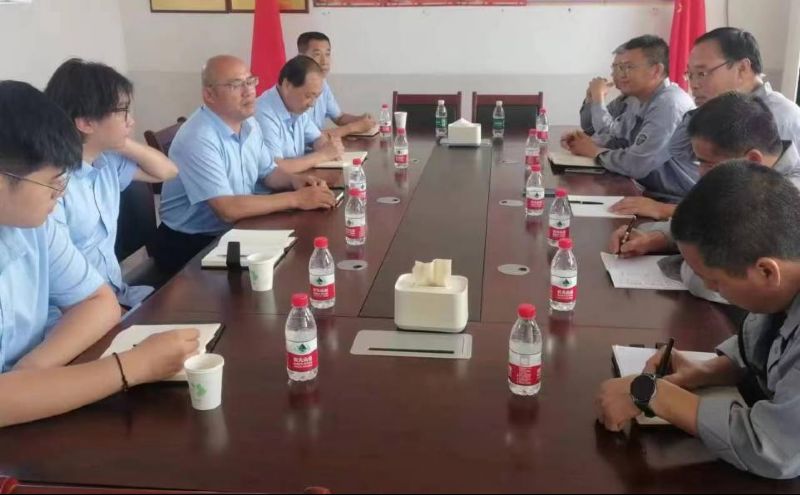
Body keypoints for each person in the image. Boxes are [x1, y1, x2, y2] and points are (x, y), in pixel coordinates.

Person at [0, 81, 199, 427]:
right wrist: (131, 366)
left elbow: (98, 302)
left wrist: (28, 377)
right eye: (53, 182)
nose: (61, 194)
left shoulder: (32, 224)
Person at [597, 162, 800, 479]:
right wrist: (707, 371)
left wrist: (655, 395)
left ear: (766, 271)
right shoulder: (782, 280)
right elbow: (760, 346)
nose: (709, 287)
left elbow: (775, 448)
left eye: (715, 282)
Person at [608, 92, 800, 304]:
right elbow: (713, 225)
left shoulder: (787, 200)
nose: (700, 173)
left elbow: (716, 285)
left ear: (752, 160)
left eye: (707, 163)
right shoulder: (748, 181)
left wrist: (695, 266)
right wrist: (656, 238)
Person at [155, 55, 336, 274]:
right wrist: (296, 199)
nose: (249, 91)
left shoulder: (249, 122)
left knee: (300, 257)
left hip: (235, 230)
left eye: (250, 82)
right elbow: (227, 209)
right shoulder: (199, 137)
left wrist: (296, 181)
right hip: (191, 244)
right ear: (209, 94)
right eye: (236, 85)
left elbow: (268, 172)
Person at [611, 27, 800, 218]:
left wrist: (664, 210)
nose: (693, 84)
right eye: (690, 75)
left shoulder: (776, 116)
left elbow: (761, 211)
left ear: (742, 68)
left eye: (702, 73)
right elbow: (679, 150)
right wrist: (703, 109)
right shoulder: (723, 110)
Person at [44, 58, 179, 310]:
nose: (131, 121)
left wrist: (121, 141)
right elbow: (59, 285)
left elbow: (166, 171)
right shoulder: (52, 187)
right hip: (81, 311)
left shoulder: (106, 161)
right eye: (122, 111)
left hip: (120, 294)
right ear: (86, 122)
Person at [563, 35, 695, 199]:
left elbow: (638, 164)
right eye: (616, 68)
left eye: (627, 67)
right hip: (645, 190)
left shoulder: (669, 104)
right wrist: (584, 141)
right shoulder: (634, 99)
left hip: (676, 201)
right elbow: (613, 137)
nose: (619, 75)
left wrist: (595, 151)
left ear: (656, 71)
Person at [255, 56, 345, 174]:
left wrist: (326, 145)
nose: (312, 104)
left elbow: (316, 137)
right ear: (287, 85)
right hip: (275, 185)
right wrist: (322, 155)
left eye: (316, 97)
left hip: (296, 179)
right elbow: (276, 169)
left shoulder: (295, 106)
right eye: (308, 96)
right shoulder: (263, 113)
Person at [297, 31, 376, 137]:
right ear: (301, 57)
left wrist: (361, 119)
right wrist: (354, 127)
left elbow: (339, 117)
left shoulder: (323, 83)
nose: (324, 61)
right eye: (317, 54)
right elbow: (308, 137)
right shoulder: (296, 87)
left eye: (327, 54)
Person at [579, 45, 640, 148]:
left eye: (619, 68)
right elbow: (589, 127)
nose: (612, 74)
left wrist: (598, 97)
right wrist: (591, 98)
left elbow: (610, 133)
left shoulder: (640, 102)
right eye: (614, 68)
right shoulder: (623, 99)